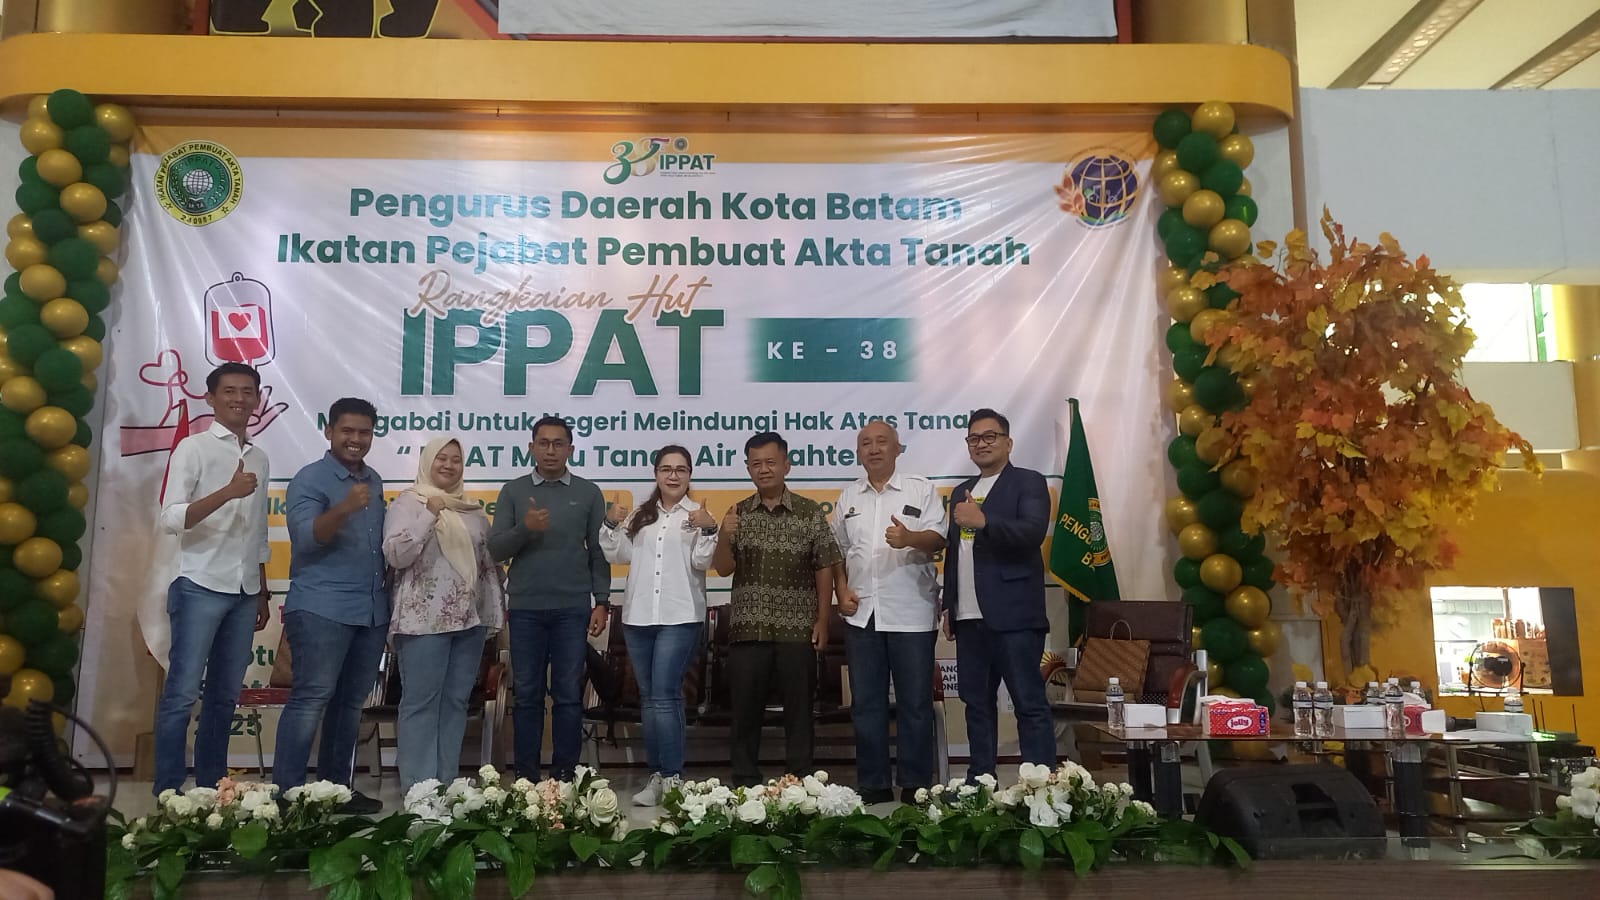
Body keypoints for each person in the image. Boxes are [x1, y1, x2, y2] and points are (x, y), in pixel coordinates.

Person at [153, 362, 272, 795]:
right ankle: (169, 792)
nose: (239, 399)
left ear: (257, 399)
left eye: (247, 391)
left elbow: (257, 530)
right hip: (199, 583)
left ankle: (212, 789)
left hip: (244, 590)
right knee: (182, 694)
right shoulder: (193, 448)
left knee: (224, 696)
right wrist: (227, 492)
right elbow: (171, 519)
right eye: (229, 391)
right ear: (211, 398)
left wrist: (261, 590)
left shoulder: (259, 457)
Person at [274, 398, 388, 813]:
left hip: (370, 611)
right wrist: (344, 507)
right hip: (321, 607)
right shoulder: (311, 479)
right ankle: (287, 796)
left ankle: (336, 791)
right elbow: (307, 538)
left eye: (364, 432)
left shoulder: (374, 480)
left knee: (350, 704)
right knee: (311, 698)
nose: (356, 439)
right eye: (347, 431)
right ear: (329, 431)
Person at [713, 432, 842, 786]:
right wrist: (724, 534)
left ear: (786, 465)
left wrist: (823, 620)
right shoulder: (737, 512)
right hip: (748, 630)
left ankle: (801, 781)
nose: (764, 469)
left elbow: (825, 566)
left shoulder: (809, 511)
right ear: (748, 469)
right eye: (756, 464)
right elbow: (723, 568)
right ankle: (744, 781)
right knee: (744, 711)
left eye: (771, 462)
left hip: (797, 629)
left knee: (799, 712)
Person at [488, 415, 610, 782]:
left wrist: (602, 600)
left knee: (568, 694)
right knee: (527, 695)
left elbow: (599, 553)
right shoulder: (513, 491)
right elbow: (496, 550)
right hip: (525, 607)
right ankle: (526, 780)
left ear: (571, 449)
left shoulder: (588, 493)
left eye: (559, 443)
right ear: (531, 448)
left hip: (572, 608)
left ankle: (565, 777)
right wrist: (526, 528)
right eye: (543, 443)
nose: (551, 450)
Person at [382, 436, 505, 793]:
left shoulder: (473, 511)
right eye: (441, 458)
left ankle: (447, 784)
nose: (449, 465)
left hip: (469, 621)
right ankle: (419, 789)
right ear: (427, 462)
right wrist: (430, 514)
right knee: (421, 703)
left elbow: (488, 566)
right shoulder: (409, 503)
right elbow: (396, 555)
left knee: (455, 703)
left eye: (455, 460)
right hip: (423, 621)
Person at [833, 422, 947, 804]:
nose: (874, 449)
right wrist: (841, 590)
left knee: (915, 703)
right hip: (862, 614)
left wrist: (910, 538)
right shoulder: (848, 496)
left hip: (910, 612)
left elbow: (939, 538)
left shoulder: (920, 489)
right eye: (866, 443)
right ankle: (874, 783)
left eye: (882, 442)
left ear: (898, 448)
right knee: (866, 704)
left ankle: (915, 783)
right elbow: (837, 553)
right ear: (858, 453)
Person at [598, 445, 718, 806]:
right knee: (651, 698)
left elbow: (702, 562)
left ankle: (672, 777)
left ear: (690, 475)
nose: (673, 475)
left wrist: (708, 529)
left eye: (681, 469)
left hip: (680, 617)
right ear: (656, 474)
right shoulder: (641, 515)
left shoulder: (697, 514)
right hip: (638, 616)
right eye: (666, 469)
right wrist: (610, 523)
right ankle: (658, 776)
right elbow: (617, 553)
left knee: (665, 695)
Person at [942, 408, 1055, 779]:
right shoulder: (961, 492)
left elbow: (1032, 533)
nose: (981, 444)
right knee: (976, 704)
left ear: (1008, 443)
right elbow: (955, 553)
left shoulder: (1028, 482)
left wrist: (984, 521)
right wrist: (949, 605)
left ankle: (1041, 786)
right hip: (968, 619)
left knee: (1028, 703)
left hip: (1015, 616)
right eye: (974, 438)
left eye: (989, 436)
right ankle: (980, 782)